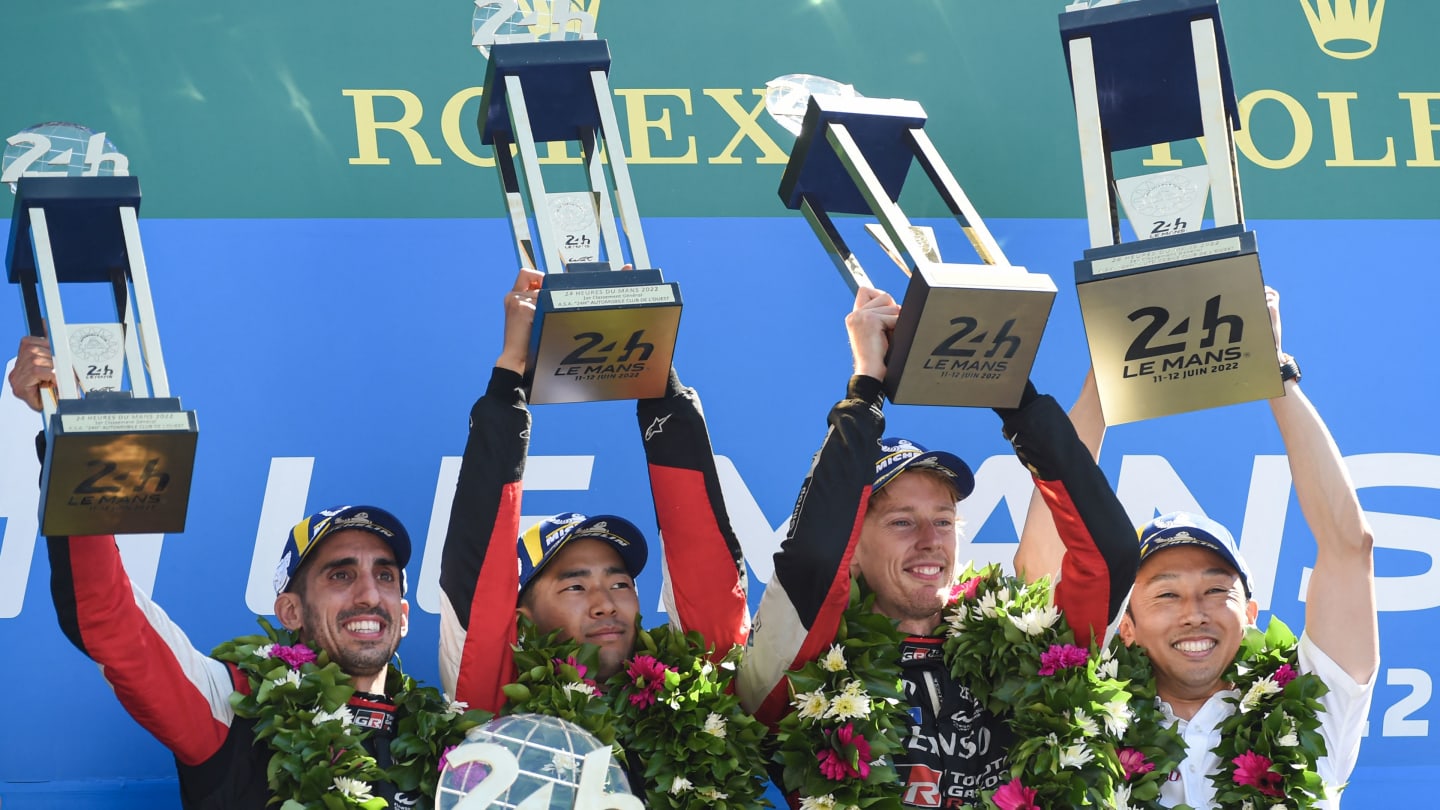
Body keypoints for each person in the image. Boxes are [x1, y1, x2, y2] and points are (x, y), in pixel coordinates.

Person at [736, 287, 1140, 807]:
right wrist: (864, 393)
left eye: (944, 521)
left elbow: (1110, 558)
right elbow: (812, 558)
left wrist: (1011, 392)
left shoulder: (1024, 649)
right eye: (902, 522)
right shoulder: (800, 667)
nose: (930, 542)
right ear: (851, 549)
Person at [1019, 288, 1376, 808]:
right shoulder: (1079, 709)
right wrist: (1105, 376)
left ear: (1250, 612)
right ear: (1128, 628)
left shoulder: (1315, 708)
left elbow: (1350, 547)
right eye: (1165, 595)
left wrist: (1273, 371)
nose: (1194, 614)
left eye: (1215, 589)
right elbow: (1043, 558)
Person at [437, 267, 750, 706]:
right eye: (575, 587)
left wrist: (648, 358)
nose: (606, 604)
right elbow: (479, 572)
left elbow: (705, 567)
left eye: (620, 584)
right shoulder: (496, 705)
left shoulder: (690, 704)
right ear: (521, 618)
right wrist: (511, 374)